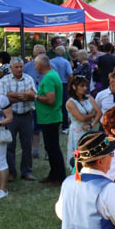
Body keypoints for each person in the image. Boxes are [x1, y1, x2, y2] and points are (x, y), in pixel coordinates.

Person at [0, 57, 37, 182]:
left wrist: (12, 95)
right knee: (10, 145)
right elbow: (4, 99)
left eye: (21, 67)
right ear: (11, 68)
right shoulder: (4, 80)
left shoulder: (28, 79)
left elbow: (32, 96)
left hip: (26, 115)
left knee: (27, 144)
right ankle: (11, 172)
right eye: (16, 67)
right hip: (11, 116)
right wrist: (23, 96)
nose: (19, 69)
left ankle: (26, 171)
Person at [35, 54, 66, 186]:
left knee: (53, 148)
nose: (35, 67)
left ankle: (59, 176)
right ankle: (53, 173)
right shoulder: (52, 75)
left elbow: (50, 99)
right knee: (50, 147)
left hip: (50, 117)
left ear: (40, 66)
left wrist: (35, 96)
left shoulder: (48, 78)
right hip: (49, 117)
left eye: (36, 65)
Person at [66, 75, 101, 171]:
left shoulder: (89, 97)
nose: (85, 88)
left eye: (86, 86)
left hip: (89, 129)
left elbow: (99, 112)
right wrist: (92, 115)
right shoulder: (70, 102)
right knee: (79, 155)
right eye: (82, 86)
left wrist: (92, 124)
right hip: (77, 131)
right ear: (74, 87)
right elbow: (81, 118)